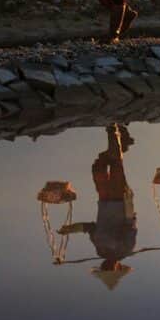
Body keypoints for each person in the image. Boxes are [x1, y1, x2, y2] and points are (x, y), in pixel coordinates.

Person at [63, 124, 139, 290]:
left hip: (104, 201)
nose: (107, 268)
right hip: (120, 201)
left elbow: (91, 228)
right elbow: (130, 225)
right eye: (111, 271)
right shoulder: (125, 249)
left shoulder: (100, 250)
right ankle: (113, 130)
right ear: (118, 267)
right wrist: (128, 201)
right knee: (116, 165)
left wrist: (70, 229)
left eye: (104, 271)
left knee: (98, 167)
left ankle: (122, 143)